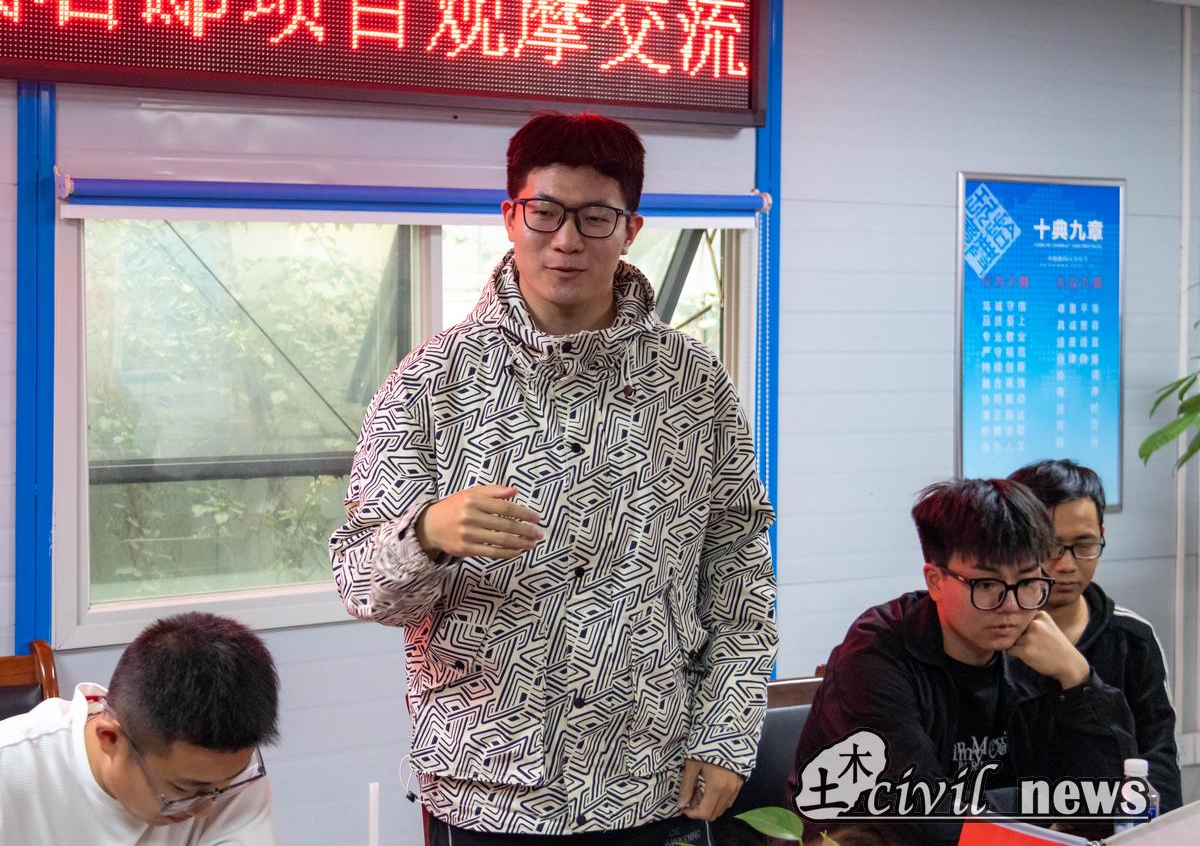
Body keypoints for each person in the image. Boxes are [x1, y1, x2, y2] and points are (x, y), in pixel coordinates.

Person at [330, 110, 777, 844]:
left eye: (595, 218)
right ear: (511, 216)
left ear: (630, 229)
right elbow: (360, 587)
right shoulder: (430, 383)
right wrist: (427, 536)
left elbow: (740, 574)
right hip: (486, 789)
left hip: (652, 780)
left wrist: (726, 733)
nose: (567, 240)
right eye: (545, 212)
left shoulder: (693, 384)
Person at [790, 478, 1137, 845]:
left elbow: (1111, 806)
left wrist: (1078, 678)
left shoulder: (1037, 653)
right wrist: (1035, 807)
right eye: (986, 585)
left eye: (1027, 582)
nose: (1011, 606)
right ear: (935, 580)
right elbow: (922, 819)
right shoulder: (874, 657)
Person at [0, 611, 279, 845]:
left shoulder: (227, 772)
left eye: (225, 786)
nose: (206, 809)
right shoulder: (12, 768)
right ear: (110, 739)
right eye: (184, 789)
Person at [1009, 458, 1180, 811]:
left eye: (1084, 545)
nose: (1066, 565)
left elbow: (1161, 777)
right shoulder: (989, 638)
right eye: (1050, 546)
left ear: (1102, 534)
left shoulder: (1133, 639)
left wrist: (1079, 677)